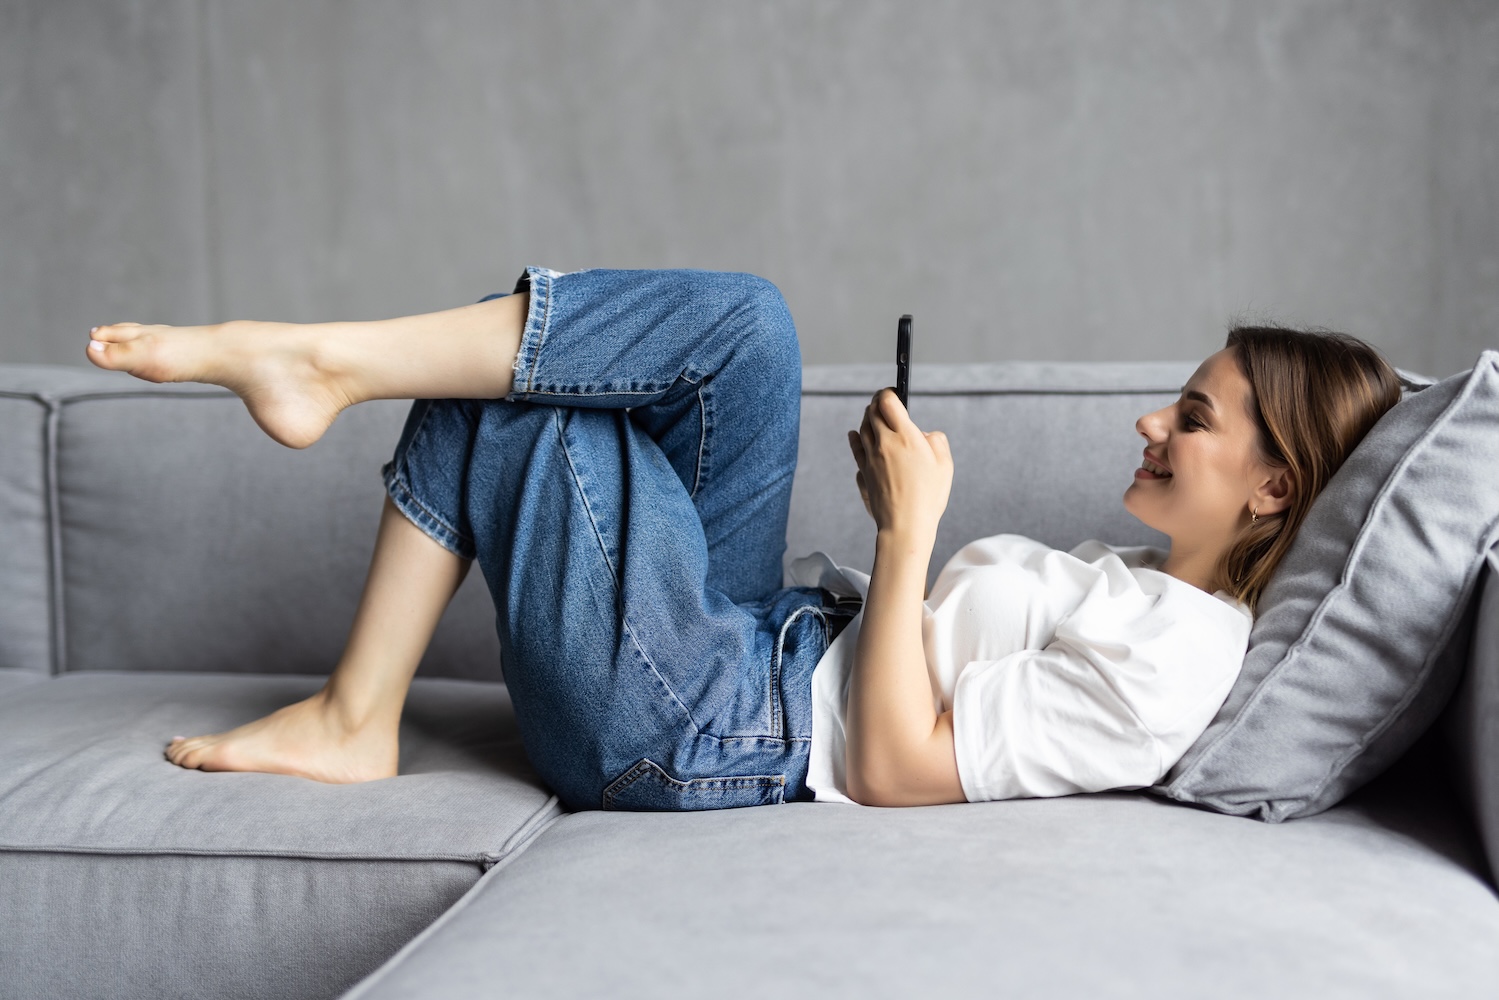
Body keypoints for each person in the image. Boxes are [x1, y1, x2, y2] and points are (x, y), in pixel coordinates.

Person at [84, 267, 1403, 810]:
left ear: (1275, 486)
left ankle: (353, 704)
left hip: (715, 726)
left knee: (533, 418)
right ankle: (330, 365)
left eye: (1193, 416)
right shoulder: (1137, 587)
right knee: (748, 333)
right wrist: (886, 551)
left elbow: (894, 767)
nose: (1151, 422)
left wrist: (910, 536)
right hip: (762, 640)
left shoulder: (1182, 660)